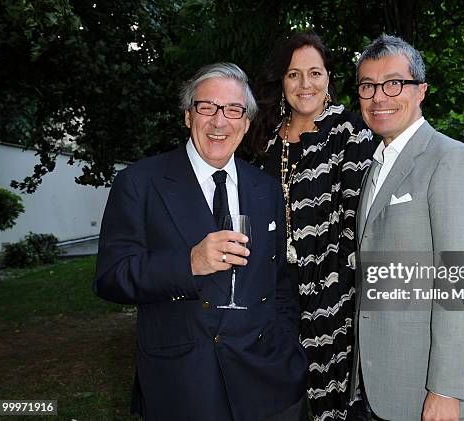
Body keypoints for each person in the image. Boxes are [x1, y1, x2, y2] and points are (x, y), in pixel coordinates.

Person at [93, 62, 308, 421]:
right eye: (207, 107)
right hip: (185, 387)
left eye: (233, 110)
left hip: (271, 385)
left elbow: (279, 280)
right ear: (188, 116)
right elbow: (111, 277)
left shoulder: (266, 189)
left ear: (246, 122)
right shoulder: (139, 183)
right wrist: (187, 264)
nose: (219, 121)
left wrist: (287, 344)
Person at [350, 35, 464, 421]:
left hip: (426, 391)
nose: (379, 96)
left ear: (421, 91)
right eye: (368, 86)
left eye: (394, 83)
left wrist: (446, 389)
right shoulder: (375, 167)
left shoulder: (452, 160)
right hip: (377, 384)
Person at [246, 32, 375, 420]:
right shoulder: (265, 138)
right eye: (293, 75)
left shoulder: (350, 132)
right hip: (271, 290)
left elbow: (361, 219)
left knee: (329, 397)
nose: (305, 85)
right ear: (281, 81)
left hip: (332, 292)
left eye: (314, 73)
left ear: (329, 77)